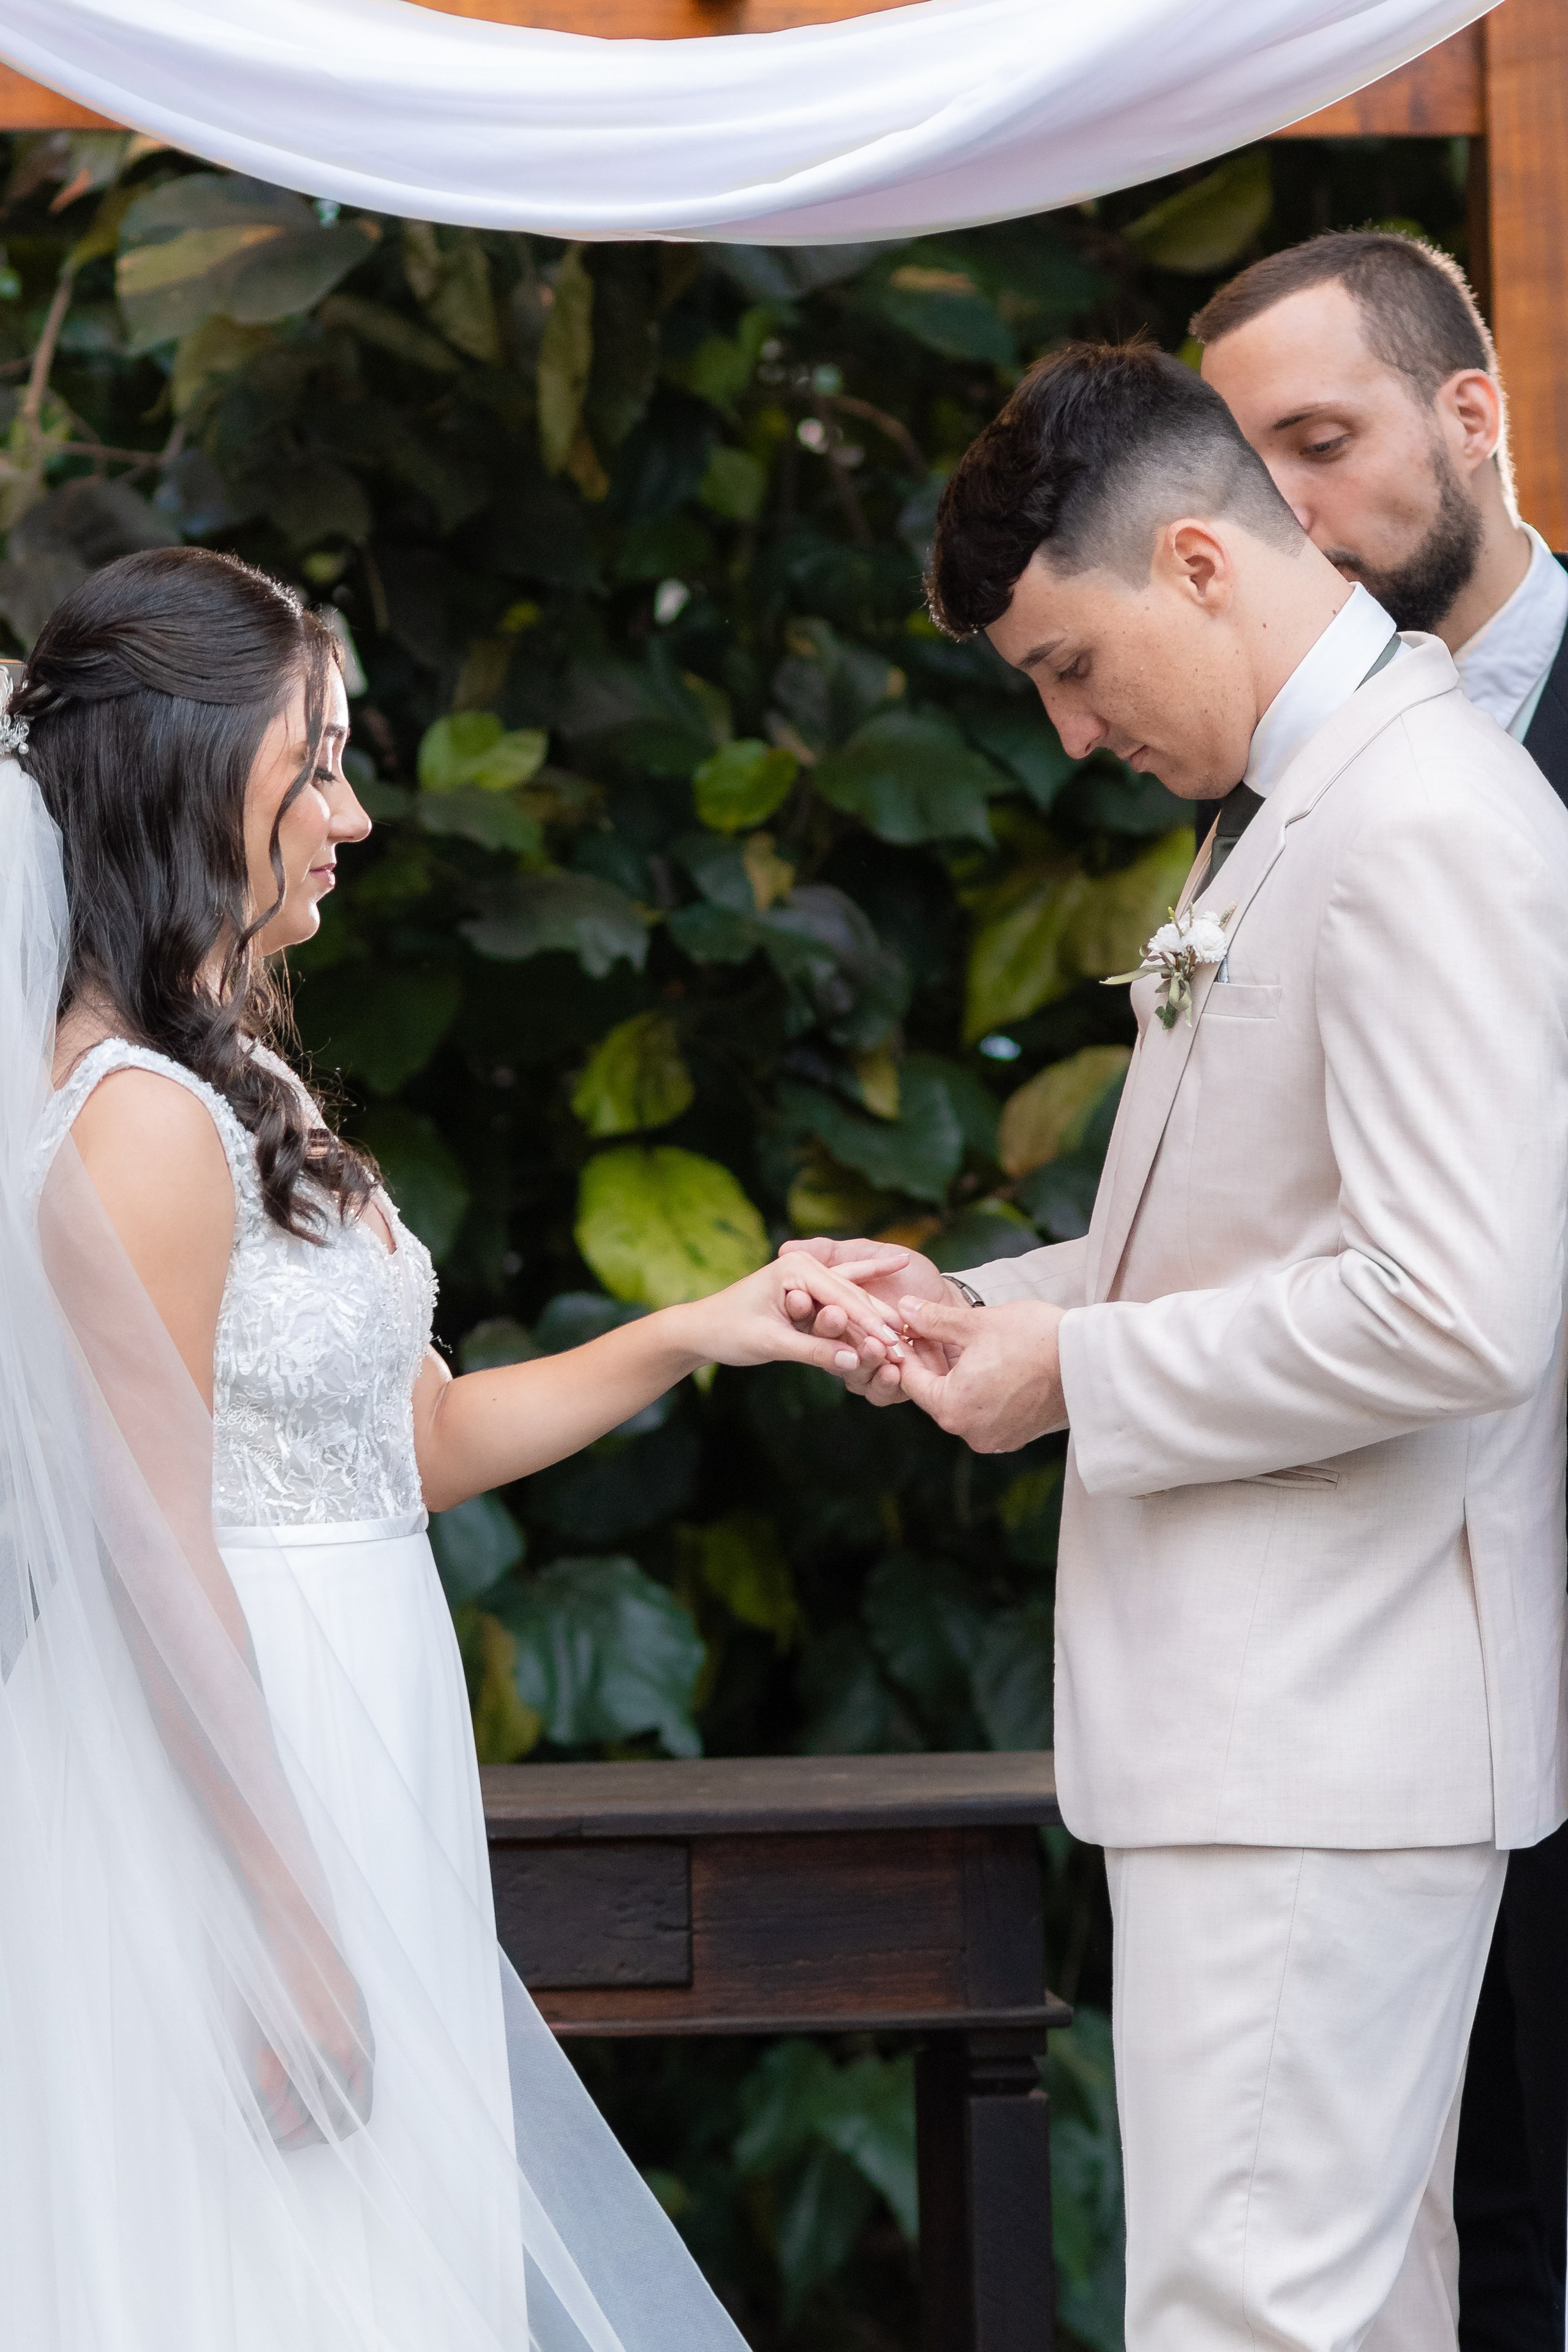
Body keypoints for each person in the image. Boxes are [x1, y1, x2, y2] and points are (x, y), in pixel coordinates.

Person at [0, 543, 903, 2352]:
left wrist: (702, 1324)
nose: (349, 811)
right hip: (226, 1778)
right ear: (191, 773)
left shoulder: (243, 1088)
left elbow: (403, 1445)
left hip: (353, 1730)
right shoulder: (133, 1130)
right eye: (313, 762)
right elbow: (153, 1551)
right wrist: (288, 1920)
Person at [785, 341, 1568, 2352]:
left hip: (1327, 1719)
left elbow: (1460, 1301)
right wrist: (998, 1307)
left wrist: (1079, 1381)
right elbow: (1275, 1232)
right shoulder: (1318, 799)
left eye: (1067, 663)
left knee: (1250, 2316)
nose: (1065, 733)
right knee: (1342, 2313)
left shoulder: (1417, 820)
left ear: (1201, 563)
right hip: (1300, 1721)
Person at [1190, 230, 1568, 2352]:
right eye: (1250, 478)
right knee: (1454, 2229)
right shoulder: (1267, 793)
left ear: (1473, 414)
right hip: (1410, 1655)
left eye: (1322, 447)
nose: (1293, 521)